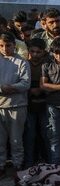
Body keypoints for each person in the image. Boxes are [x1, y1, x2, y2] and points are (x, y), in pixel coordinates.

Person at [0, 32, 30, 177]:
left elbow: (25, 83)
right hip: (0, 106)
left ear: (14, 45)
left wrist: (11, 88)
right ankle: (1, 165)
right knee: (0, 140)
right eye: (1, 46)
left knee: (16, 139)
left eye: (8, 45)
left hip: (17, 106)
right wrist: (2, 89)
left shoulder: (22, 62)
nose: (5, 49)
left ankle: (18, 165)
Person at [23, 38, 50, 167]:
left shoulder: (48, 64)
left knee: (47, 134)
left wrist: (41, 88)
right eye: (32, 51)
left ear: (44, 52)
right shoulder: (24, 64)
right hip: (29, 105)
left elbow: (52, 83)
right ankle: (29, 162)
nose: (35, 55)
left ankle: (49, 161)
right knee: (30, 135)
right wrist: (30, 90)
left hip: (45, 104)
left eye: (38, 52)